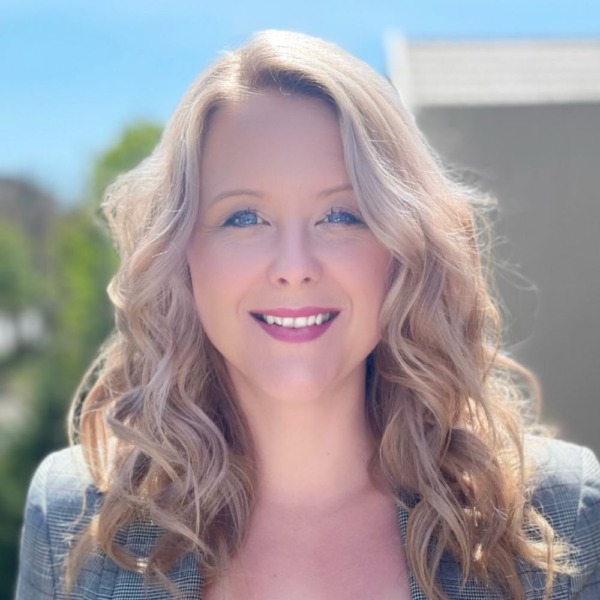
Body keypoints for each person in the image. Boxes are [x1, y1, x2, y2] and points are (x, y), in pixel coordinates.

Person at [16, 30, 600, 600]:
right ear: (181, 255)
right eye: (244, 217)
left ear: (404, 249)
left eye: (342, 215)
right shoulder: (71, 519)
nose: (294, 267)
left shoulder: (564, 513)